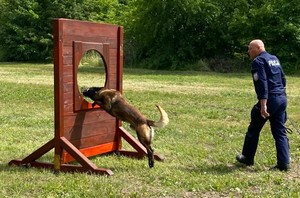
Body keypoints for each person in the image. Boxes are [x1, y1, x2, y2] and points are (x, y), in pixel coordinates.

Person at [236, 39, 290, 171]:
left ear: (258, 48)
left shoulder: (258, 61)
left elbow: (262, 83)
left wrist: (263, 104)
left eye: (250, 48)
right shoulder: (274, 59)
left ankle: (247, 158)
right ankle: (284, 163)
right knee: (280, 132)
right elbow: (282, 79)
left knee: (254, 128)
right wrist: (282, 98)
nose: (248, 52)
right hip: (281, 98)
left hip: (270, 99)